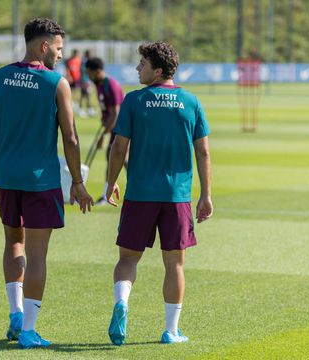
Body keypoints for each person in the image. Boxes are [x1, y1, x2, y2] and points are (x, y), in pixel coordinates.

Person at [0, 18, 93, 349]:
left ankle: (16, 314)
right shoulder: (56, 83)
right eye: (58, 48)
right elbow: (70, 139)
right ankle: (29, 330)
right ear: (43, 46)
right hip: (40, 180)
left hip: (5, 177)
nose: (60, 55)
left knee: (13, 242)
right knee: (38, 254)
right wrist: (77, 181)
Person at [105, 41, 212, 345]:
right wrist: (205, 194)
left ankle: (122, 302)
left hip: (139, 193)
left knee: (127, 259)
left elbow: (119, 148)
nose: (138, 68)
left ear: (159, 70)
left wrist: (111, 181)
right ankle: (171, 330)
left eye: (143, 64)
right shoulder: (191, 102)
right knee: (175, 264)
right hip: (176, 196)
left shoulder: (134, 101)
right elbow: (203, 153)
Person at [84, 57, 124, 205]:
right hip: (115, 128)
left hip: (122, 128)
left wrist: (103, 136)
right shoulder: (100, 85)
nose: (88, 76)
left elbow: (115, 113)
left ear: (98, 71)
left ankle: (107, 195)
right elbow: (106, 109)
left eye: (89, 73)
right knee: (122, 160)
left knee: (116, 157)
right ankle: (107, 193)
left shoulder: (111, 85)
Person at [78, 50, 96, 118]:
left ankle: (87, 110)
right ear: (87, 55)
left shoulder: (86, 61)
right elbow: (83, 72)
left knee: (86, 95)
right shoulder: (84, 62)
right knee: (84, 95)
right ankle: (83, 110)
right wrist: (84, 81)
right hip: (85, 81)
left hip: (87, 81)